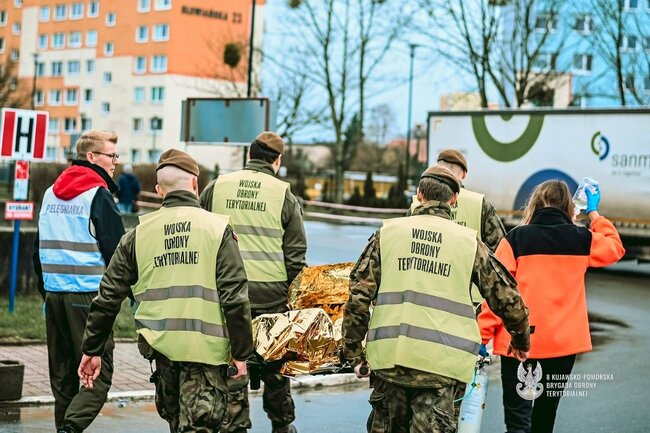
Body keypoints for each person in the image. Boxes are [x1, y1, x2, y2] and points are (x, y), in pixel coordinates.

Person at [342, 165, 531, 433]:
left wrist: (354, 354)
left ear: (419, 195)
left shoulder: (388, 234)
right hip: (441, 369)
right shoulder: (469, 244)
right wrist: (521, 340)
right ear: (454, 199)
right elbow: (507, 298)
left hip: (390, 365)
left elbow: (358, 297)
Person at [78, 149, 254, 433]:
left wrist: (92, 349)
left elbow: (108, 296)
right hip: (207, 356)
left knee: (176, 424)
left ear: (159, 190)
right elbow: (234, 298)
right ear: (195, 184)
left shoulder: (138, 234)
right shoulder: (217, 229)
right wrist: (241, 353)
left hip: (163, 357)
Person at [478, 180, 625, 433]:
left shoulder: (515, 239)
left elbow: (498, 293)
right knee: (546, 416)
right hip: (562, 346)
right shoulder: (581, 239)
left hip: (519, 342)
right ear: (568, 206)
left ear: (535, 204)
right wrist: (594, 213)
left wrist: (482, 336)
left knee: (518, 420)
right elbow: (615, 248)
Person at [200, 131, 307, 433]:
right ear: (277, 160)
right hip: (272, 299)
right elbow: (295, 257)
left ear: (249, 155)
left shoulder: (216, 188)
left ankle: (234, 425)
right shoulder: (284, 195)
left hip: (225, 296)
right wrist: (295, 304)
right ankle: (282, 425)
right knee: (276, 367)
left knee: (233, 366)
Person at [32, 130, 125, 433]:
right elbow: (118, 254)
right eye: (111, 155)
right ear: (92, 157)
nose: (115, 162)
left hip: (54, 295)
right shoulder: (98, 195)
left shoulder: (50, 193)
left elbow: (37, 249)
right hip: (88, 298)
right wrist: (128, 295)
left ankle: (64, 426)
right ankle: (70, 429)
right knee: (97, 372)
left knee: (63, 375)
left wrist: (46, 291)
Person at [411, 149, 506, 305]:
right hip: (470, 302)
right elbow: (500, 252)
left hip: (421, 297)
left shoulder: (416, 204)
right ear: (464, 174)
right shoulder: (479, 204)